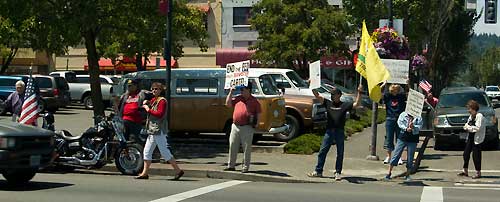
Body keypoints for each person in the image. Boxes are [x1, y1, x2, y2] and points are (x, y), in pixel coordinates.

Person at [307, 84, 363, 181]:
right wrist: (313, 84)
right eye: (332, 94)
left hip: (339, 131)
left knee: (340, 153)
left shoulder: (344, 105)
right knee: (322, 151)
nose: (332, 96)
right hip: (329, 131)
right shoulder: (328, 103)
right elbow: (317, 95)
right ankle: (318, 171)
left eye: (334, 94)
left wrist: (359, 92)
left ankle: (338, 172)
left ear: (339, 95)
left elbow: (356, 104)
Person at [135, 82, 184, 180]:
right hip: (152, 130)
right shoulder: (154, 100)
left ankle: (178, 171)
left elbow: (159, 114)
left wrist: (148, 109)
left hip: (159, 130)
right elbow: (146, 106)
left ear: (161, 91)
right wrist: (146, 103)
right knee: (147, 151)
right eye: (153, 89)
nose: (154, 90)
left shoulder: (162, 101)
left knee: (164, 151)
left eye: (156, 89)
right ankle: (144, 173)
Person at [224, 82, 261, 173]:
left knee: (246, 148)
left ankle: (245, 167)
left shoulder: (254, 101)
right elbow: (228, 104)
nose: (241, 91)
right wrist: (231, 93)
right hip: (235, 125)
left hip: (247, 127)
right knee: (232, 145)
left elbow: (259, 113)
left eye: (242, 89)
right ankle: (231, 165)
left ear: (248, 90)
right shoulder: (238, 98)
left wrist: (257, 124)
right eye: (241, 89)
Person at [384, 111, 423, 181]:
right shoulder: (403, 114)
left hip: (413, 139)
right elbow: (399, 123)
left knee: (410, 157)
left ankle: (408, 175)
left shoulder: (418, 117)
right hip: (403, 137)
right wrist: (406, 128)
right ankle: (389, 173)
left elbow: (420, 126)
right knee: (396, 154)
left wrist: (413, 127)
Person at [457, 100, 484, 179]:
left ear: (473, 108)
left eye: (469, 109)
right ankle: (465, 170)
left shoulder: (479, 116)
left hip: (477, 138)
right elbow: (466, 124)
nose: (468, 110)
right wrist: (467, 127)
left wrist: (468, 128)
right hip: (470, 137)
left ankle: (478, 172)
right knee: (466, 154)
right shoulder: (471, 116)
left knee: (476, 156)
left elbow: (477, 128)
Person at [382, 84, 407, 164]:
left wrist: (408, 84)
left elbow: (409, 94)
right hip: (390, 118)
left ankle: (398, 157)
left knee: (399, 139)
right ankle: (389, 156)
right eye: (393, 89)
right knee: (389, 138)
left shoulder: (401, 96)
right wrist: (383, 85)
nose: (395, 90)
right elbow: (379, 94)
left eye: (396, 89)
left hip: (400, 119)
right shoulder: (387, 96)